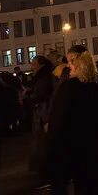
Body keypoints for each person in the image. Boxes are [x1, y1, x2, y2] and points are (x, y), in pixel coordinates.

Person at [45, 51, 98, 195]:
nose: (69, 66)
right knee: (95, 182)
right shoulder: (95, 87)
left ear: (79, 65)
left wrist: (53, 139)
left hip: (76, 144)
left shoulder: (70, 87)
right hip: (94, 142)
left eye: (72, 62)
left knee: (83, 184)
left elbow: (59, 117)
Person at [27, 55, 55, 187]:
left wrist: (28, 98)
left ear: (40, 65)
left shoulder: (43, 78)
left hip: (43, 116)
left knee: (43, 146)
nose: (31, 65)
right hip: (42, 115)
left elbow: (41, 95)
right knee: (42, 146)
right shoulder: (42, 77)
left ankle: (48, 177)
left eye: (33, 62)